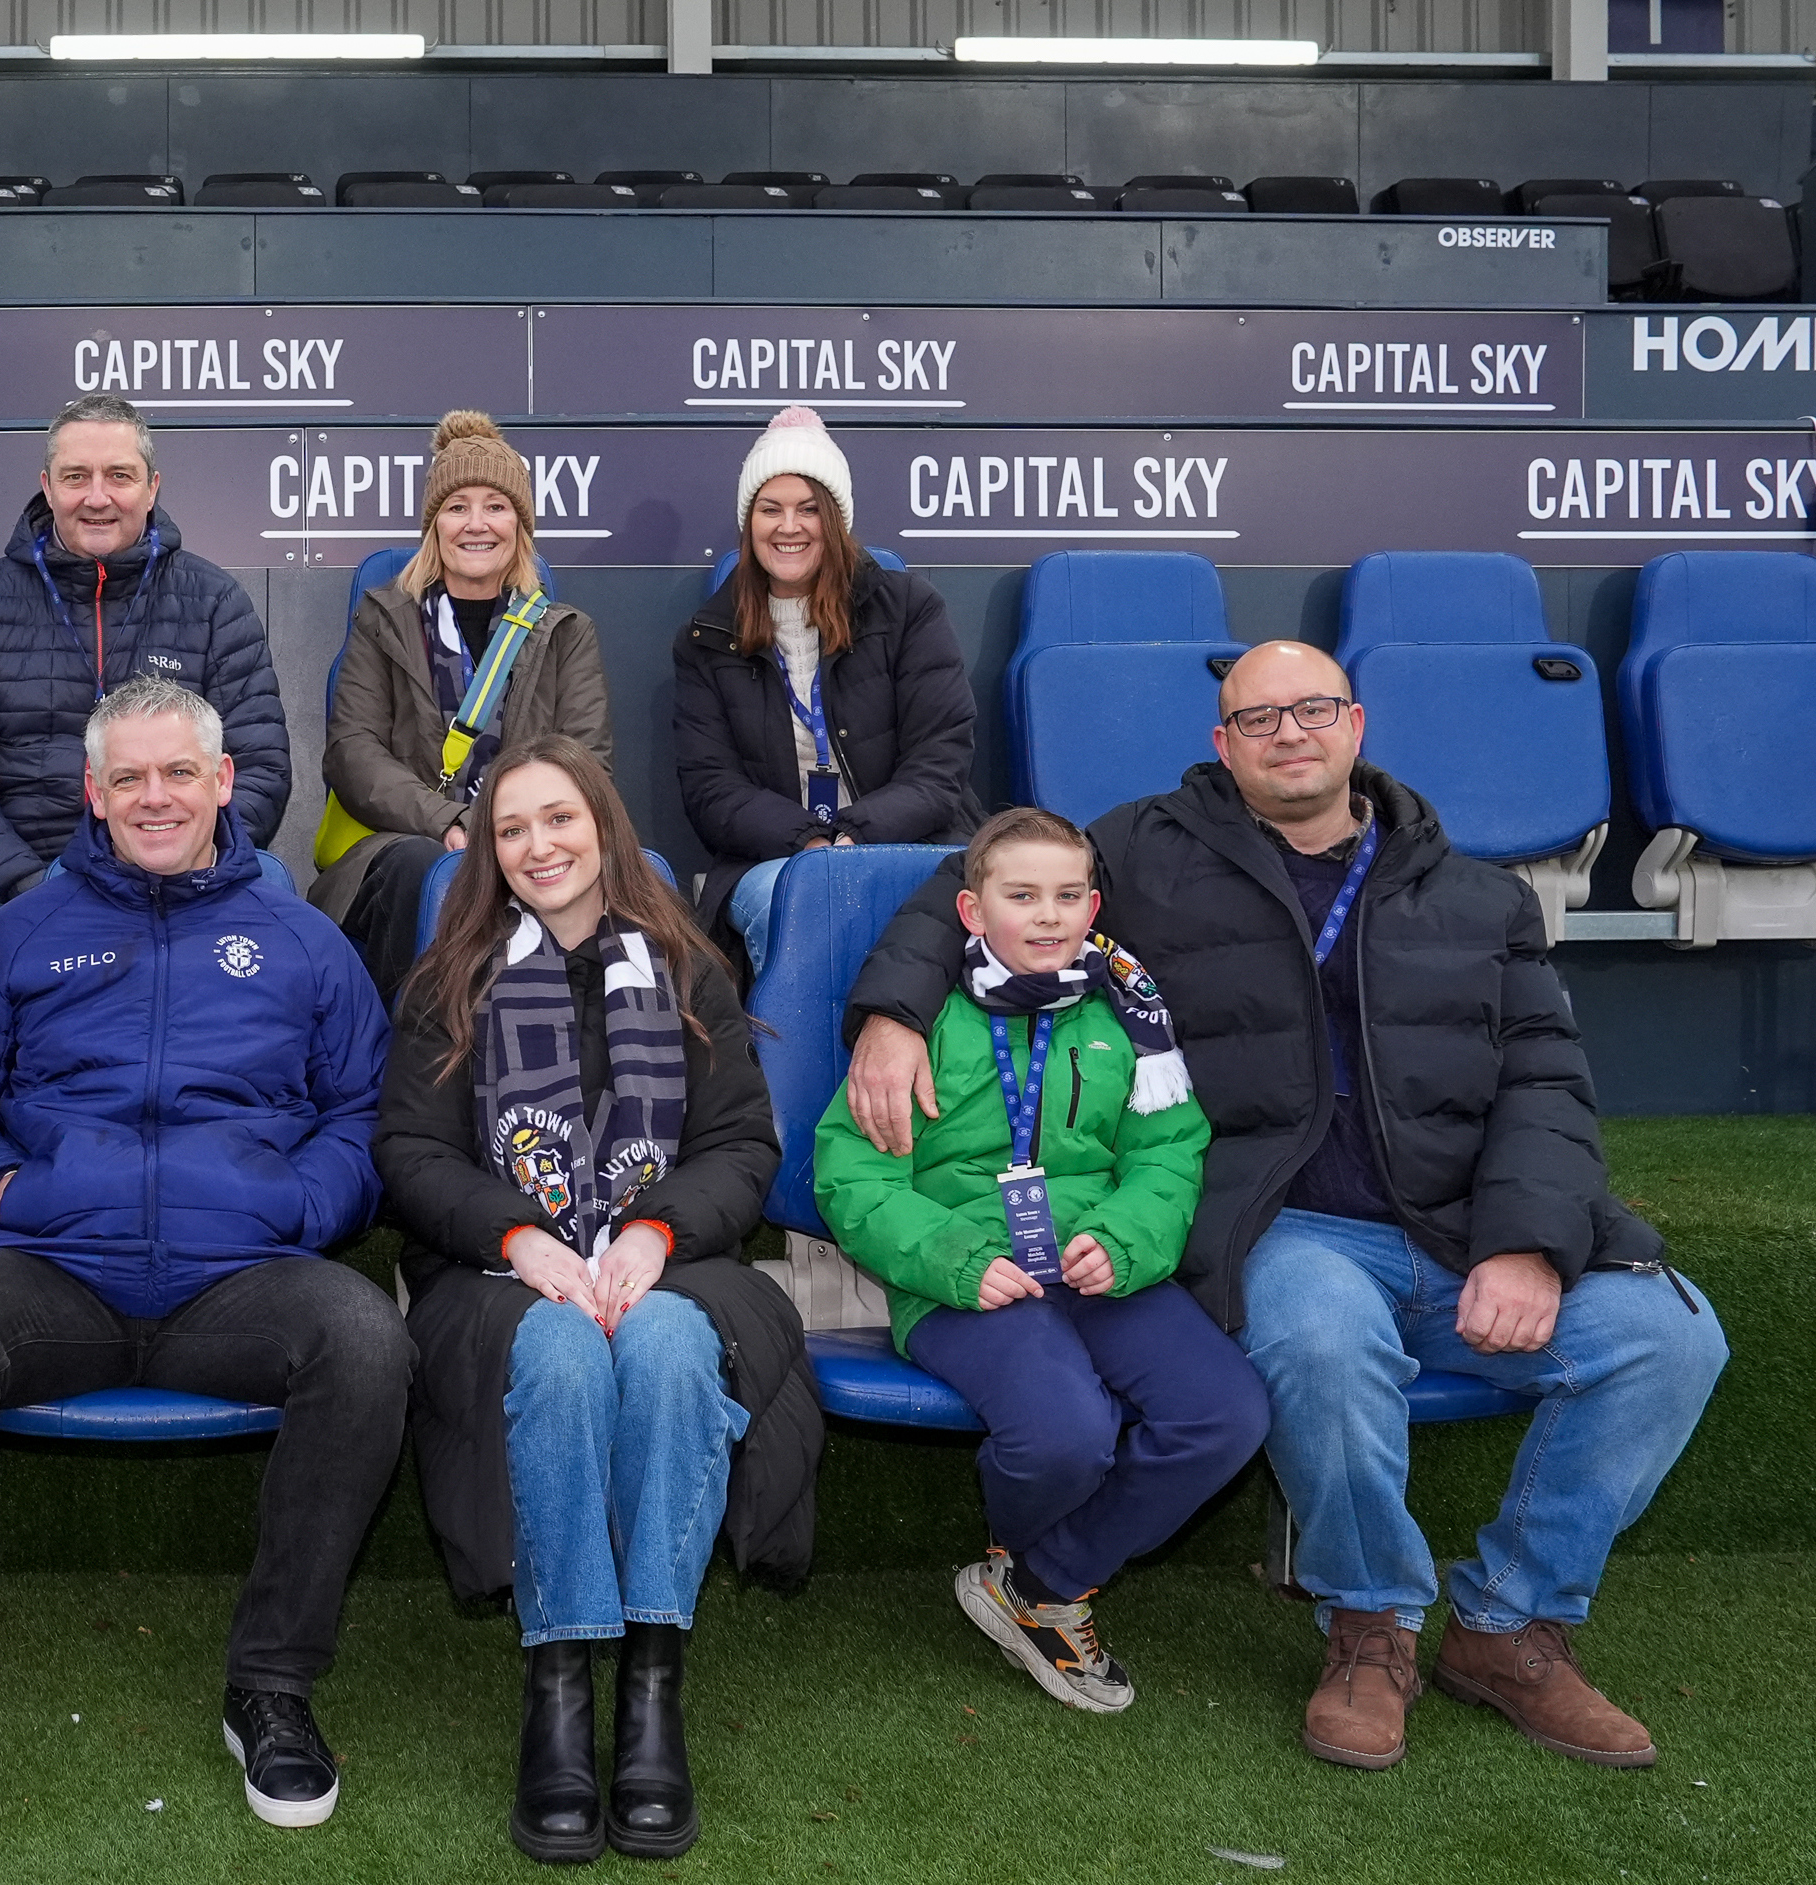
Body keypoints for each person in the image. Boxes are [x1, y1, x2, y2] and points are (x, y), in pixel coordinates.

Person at [839, 642, 1728, 1771]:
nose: (1288, 733)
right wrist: (892, 1013)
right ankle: (1369, 1625)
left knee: (1671, 1336)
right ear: (1223, 744)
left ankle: (1511, 1625)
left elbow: (1547, 1084)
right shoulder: (1150, 851)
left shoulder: (1477, 893)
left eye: (1312, 709)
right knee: (1317, 1331)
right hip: (1292, 1222)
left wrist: (1526, 1243)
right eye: (1257, 719)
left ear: (1356, 723)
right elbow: (969, 888)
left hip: (1461, 1225)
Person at [0, 676, 409, 1885]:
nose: (155, 797)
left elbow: (364, 1112)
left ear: (222, 783)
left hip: (239, 1276)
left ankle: (273, 1685)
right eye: (128, 778)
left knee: (365, 1340)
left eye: (177, 774)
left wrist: (305, 1209)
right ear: (93, 795)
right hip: (56, 1272)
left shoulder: (304, 940)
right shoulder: (17, 934)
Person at [373, 737, 823, 1866]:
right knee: (564, 1353)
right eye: (513, 827)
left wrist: (656, 1230)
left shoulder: (687, 966)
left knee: (671, 1347)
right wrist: (519, 1235)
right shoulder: (447, 981)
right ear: (487, 850)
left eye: (560, 818)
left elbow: (739, 1144)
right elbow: (410, 1155)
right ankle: (561, 1682)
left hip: (679, 1261)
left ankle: (653, 1688)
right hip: (494, 1276)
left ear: (605, 826)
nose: (539, 846)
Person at [811, 807, 1267, 1715]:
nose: (1048, 916)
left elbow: (1169, 1154)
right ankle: (1037, 1565)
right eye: (1023, 896)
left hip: (1100, 1264)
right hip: (965, 1280)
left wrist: (1127, 1240)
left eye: (1068, 897)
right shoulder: (917, 1022)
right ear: (973, 914)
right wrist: (954, 1258)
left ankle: (1039, 1584)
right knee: (1065, 1434)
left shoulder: (1129, 1019)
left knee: (1226, 1414)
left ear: (1094, 907)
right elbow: (851, 1177)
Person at [0, 392, 291, 957]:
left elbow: (259, 766)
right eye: (75, 476)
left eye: (119, 476)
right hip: (25, 882)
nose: (97, 497)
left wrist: (176, 863)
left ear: (152, 487)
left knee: (271, 882)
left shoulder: (214, 601)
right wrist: (27, 884)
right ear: (47, 485)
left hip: (183, 876)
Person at [309, 412, 612, 1001]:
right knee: (422, 867)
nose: (477, 524)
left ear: (520, 526)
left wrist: (510, 829)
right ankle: (407, 1063)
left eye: (496, 506)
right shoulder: (384, 619)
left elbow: (587, 764)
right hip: (403, 843)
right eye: (457, 507)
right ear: (435, 525)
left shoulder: (566, 632)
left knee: (626, 874)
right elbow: (352, 752)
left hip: (529, 838)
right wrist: (445, 822)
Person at [673, 406, 983, 972]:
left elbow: (939, 766)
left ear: (835, 520)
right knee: (800, 910)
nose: (788, 527)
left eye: (808, 509)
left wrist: (853, 837)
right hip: (775, 858)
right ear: (750, 524)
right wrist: (811, 843)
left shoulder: (910, 609)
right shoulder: (707, 638)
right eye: (771, 509)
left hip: (910, 841)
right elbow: (711, 790)